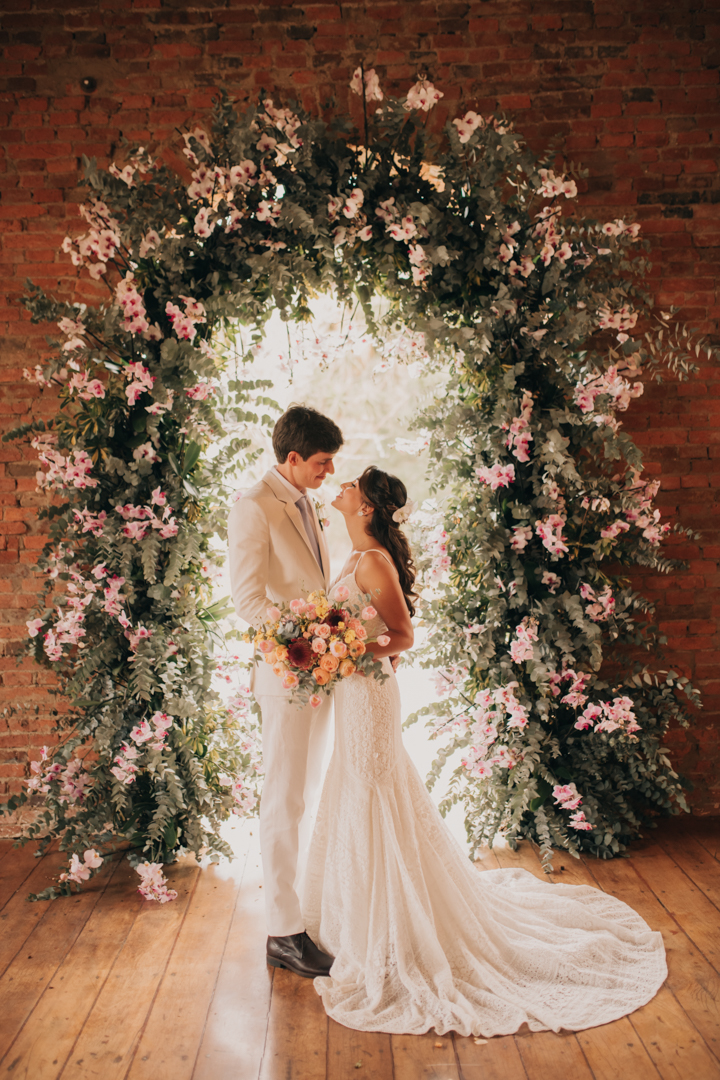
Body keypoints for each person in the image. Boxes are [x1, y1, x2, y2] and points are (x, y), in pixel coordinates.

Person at [301, 465, 668, 1037]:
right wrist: (330, 649)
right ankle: (360, 920)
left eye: (351, 484)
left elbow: (401, 636)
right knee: (353, 789)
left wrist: (346, 647)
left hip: (369, 695)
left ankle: (398, 928)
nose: (341, 485)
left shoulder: (372, 562)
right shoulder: (349, 558)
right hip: (352, 691)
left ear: (367, 508)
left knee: (374, 790)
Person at [227, 404, 343, 979]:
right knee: (283, 799)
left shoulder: (307, 502)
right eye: (321, 463)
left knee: (308, 793)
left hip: (318, 673)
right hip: (285, 674)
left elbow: (312, 584)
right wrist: (309, 637)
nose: (328, 473)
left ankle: (302, 910)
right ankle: (282, 933)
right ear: (292, 458)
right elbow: (248, 602)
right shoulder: (254, 508)